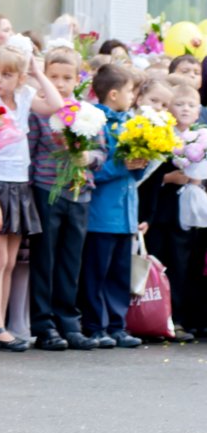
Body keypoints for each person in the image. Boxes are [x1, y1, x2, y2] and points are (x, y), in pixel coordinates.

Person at [0, 43, 62, 350]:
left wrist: (37, 71)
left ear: (20, 78)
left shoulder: (25, 97)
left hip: (20, 184)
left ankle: (2, 325)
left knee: (11, 261)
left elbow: (54, 103)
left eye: (7, 74)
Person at [26, 46, 105, 351]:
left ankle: (69, 322)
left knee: (71, 261)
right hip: (47, 190)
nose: (59, 83)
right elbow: (31, 154)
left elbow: (102, 151)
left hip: (80, 193)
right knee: (45, 259)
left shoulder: (88, 113)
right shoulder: (40, 112)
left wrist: (89, 158)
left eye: (66, 77)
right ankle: (44, 325)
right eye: (53, 76)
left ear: (77, 79)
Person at [79, 64, 145, 349]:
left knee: (120, 272)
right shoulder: (95, 122)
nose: (134, 97)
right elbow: (94, 170)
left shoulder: (133, 122)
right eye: (131, 91)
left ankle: (117, 325)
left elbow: (134, 172)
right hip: (102, 215)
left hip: (126, 213)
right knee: (97, 272)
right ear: (114, 93)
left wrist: (140, 164)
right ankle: (95, 325)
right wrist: (123, 165)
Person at [139, 84, 202, 342]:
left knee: (181, 265)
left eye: (191, 105)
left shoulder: (200, 138)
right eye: (179, 104)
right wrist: (169, 178)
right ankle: (155, 317)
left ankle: (178, 318)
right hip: (161, 211)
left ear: (199, 112)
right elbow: (149, 178)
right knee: (159, 262)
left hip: (186, 214)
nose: (185, 109)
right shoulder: (163, 137)